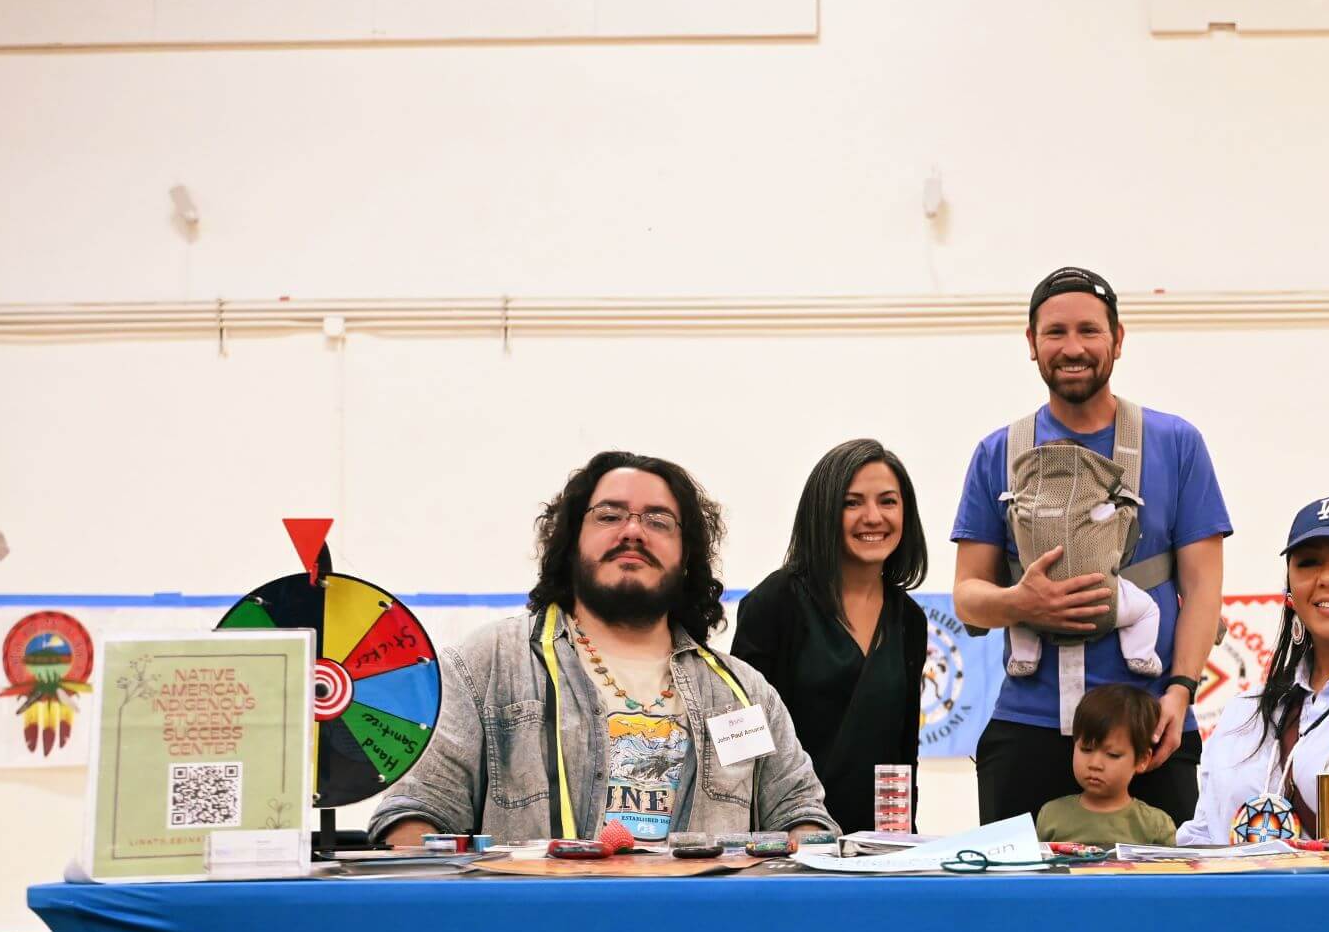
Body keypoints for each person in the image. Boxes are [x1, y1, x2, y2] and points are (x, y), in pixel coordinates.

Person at [370, 450, 836, 846]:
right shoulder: (487, 664)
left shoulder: (741, 691)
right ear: (570, 543)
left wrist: (798, 850)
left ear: (688, 556)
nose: (633, 531)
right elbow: (418, 812)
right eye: (609, 516)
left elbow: (803, 816)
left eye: (658, 520)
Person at [952, 265, 1230, 826]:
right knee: (1019, 910)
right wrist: (1021, 605)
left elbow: (1203, 590)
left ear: (1118, 339)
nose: (1072, 347)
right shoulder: (996, 454)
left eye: (1089, 330)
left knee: (1157, 907)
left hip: (1151, 732)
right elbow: (968, 598)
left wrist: (1179, 693)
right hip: (1028, 731)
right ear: (1031, 344)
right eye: (1055, 332)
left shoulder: (1176, 445)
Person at [1176, 496, 1329, 847]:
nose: (1328, 577)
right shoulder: (1243, 713)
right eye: (1309, 563)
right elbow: (1202, 837)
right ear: (1290, 593)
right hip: (1240, 900)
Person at [730, 439, 929, 833]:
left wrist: (901, 842)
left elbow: (904, 752)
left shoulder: (910, 619)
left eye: (888, 501)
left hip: (875, 848)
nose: (873, 517)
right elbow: (741, 742)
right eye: (851, 503)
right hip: (787, 840)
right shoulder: (775, 602)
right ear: (822, 511)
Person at [1034, 684, 1177, 849]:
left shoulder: (1156, 826)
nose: (1095, 764)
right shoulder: (1051, 815)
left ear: (1142, 760)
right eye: (1086, 749)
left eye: (1113, 755)